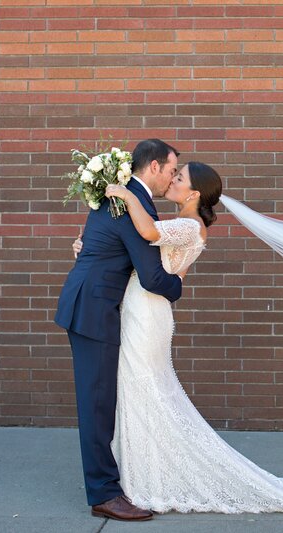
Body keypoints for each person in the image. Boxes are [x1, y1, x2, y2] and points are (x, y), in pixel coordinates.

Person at [73, 162, 283, 517]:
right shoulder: (181, 222)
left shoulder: (189, 225)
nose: (172, 179)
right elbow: (133, 249)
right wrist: (91, 246)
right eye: (174, 173)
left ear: (194, 194)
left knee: (145, 389)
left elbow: (144, 233)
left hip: (146, 314)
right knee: (139, 390)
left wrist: (125, 193)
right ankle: (138, 476)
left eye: (180, 177)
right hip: (140, 310)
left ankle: (151, 478)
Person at [55, 139, 182, 521]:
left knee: (101, 401)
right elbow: (152, 277)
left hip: (88, 304)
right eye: (172, 170)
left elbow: (97, 244)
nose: (172, 178)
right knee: (96, 405)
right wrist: (180, 285)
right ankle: (103, 494)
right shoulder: (132, 204)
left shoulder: (122, 199)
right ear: (154, 167)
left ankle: (109, 484)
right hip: (92, 311)